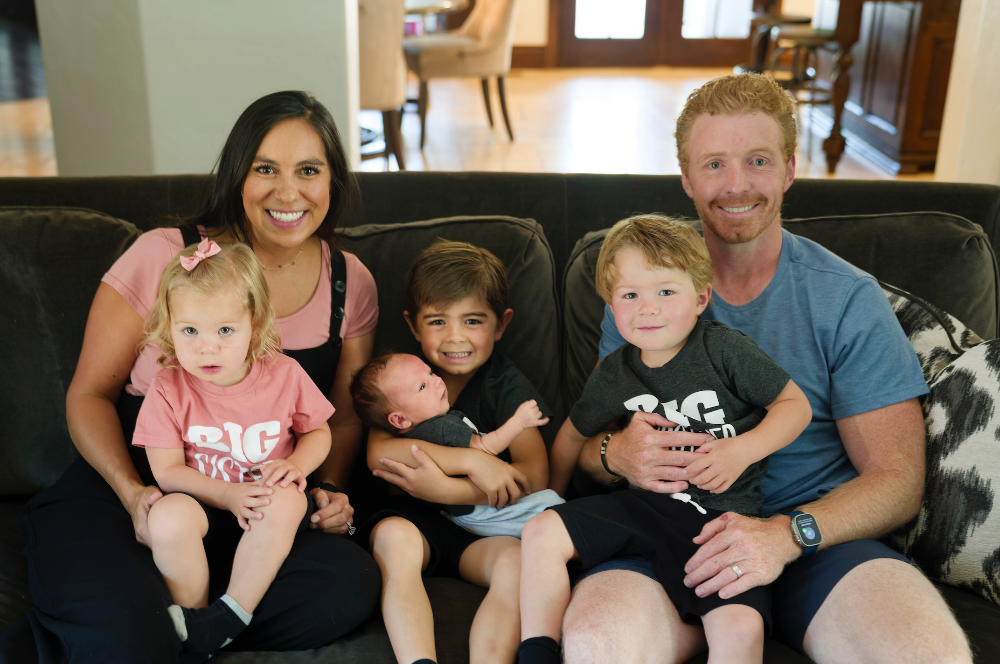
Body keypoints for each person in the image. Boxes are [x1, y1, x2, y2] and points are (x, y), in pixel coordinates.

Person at [561, 73, 972, 664]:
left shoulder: (846, 298)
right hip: (668, 531)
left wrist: (785, 535)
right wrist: (613, 454)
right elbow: (584, 444)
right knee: (597, 643)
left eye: (757, 160)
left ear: (788, 170)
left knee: (928, 654)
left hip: (817, 543)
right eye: (714, 164)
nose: (736, 184)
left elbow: (897, 482)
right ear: (686, 178)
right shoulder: (642, 292)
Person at [5, 91, 381, 663]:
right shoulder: (166, 255)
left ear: (334, 181)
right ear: (237, 176)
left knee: (346, 585)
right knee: (122, 620)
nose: (288, 193)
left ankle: (195, 623)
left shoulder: (349, 282)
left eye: (309, 170)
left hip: (258, 507)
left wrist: (326, 488)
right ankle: (150, 623)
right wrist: (133, 493)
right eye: (265, 169)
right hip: (147, 492)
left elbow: (343, 416)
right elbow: (89, 395)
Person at [518, 214, 812, 664]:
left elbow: (795, 405)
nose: (647, 308)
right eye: (630, 295)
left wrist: (742, 449)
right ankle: (535, 652)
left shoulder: (724, 350)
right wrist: (553, 498)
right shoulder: (614, 374)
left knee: (741, 629)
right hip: (643, 508)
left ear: (701, 298)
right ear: (610, 305)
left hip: (723, 523)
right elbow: (572, 436)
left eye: (666, 292)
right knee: (540, 529)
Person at [134, 240, 335, 655]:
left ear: (254, 327)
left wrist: (298, 464)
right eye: (190, 330)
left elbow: (318, 431)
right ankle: (193, 623)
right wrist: (227, 494)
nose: (207, 347)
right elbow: (167, 471)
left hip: (266, 512)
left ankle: (229, 614)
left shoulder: (285, 374)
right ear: (169, 328)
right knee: (166, 516)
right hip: (205, 507)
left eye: (225, 330)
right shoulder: (168, 387)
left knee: (286, 496)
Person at [356, 240, 552, 664]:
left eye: (473, 320)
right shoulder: (400, 376)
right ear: (413, 325)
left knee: (517, 564)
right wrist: (472, 460)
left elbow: (535, 475)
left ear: (501, 324)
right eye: (437, 321)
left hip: (483, 528)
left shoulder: (506, 385)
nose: (455, 337)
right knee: (392, 540)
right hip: (415, 519)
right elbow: (380, 454)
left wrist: (449, 491)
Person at [351, 351, 562, 537]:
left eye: (431, 373)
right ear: (399, 420)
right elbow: (486, 447)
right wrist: (519, 422)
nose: (437, 381)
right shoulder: (442, 427)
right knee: (554, 509)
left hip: (468, 515)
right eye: (422, 386)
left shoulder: (411, 435)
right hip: (489, 511)